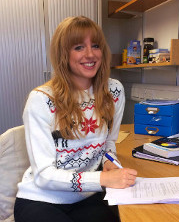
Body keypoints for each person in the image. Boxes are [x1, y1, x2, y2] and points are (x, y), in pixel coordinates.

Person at [14, 16, 137, 222]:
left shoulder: (113, 91)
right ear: (63, 54)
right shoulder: (42, 100)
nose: (90, 54)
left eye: (95, 45)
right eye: (79, 47)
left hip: (88, 197)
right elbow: (44, 175)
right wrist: (103, 178)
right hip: (41, 200)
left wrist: (110, 162)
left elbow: (108, 144)